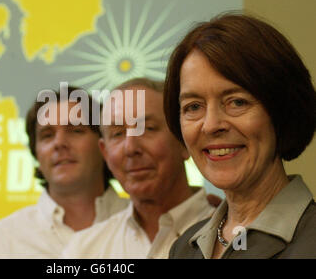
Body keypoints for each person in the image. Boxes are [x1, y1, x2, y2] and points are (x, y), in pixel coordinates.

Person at [164, 13, 316, 259]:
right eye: (193, 107)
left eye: (237, 102)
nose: (211, 125)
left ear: (282, 110)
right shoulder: (183, 249)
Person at [0, 86, 128, 258]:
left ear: (105, 146)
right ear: (36, 153)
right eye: (47, 135)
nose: (59, 143)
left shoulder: (147, 227)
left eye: (76, 131)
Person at [62, 78, 215, 258]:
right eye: (117, 134)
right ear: (105, 153)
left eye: (147, 128)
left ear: (183, 141)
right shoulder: (84, 250)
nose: (130, 147)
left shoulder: (234, 235)